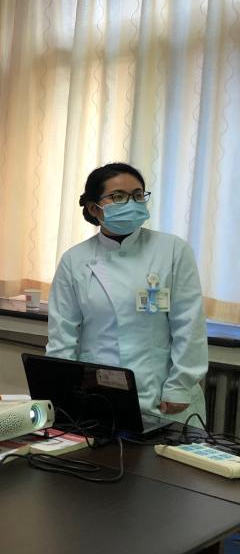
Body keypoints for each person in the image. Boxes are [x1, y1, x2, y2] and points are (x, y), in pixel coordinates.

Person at [47, 162, 207, 421]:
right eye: (119, 197)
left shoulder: (173, 250)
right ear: (94, 208)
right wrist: (60, 389)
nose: (131, 203)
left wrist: (180, 385)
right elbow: (62, 336)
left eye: (138, 195)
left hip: (165, 398)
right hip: (99, 396)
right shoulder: (75, 260)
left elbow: (189, 325)